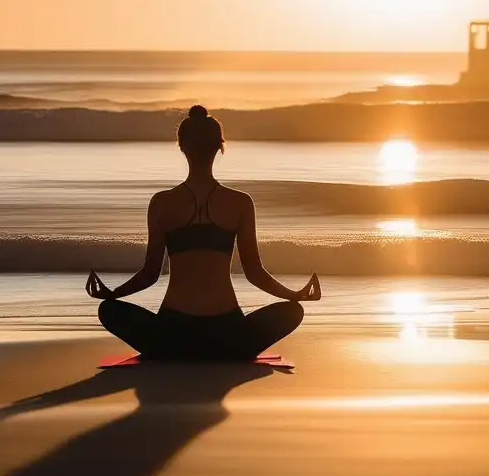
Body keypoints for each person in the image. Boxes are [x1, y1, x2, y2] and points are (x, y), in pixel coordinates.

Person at [85, 104, 320, 361]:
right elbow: (254, 273)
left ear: (181, 146)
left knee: (108, 310)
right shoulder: (240, 202)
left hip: (172, 334)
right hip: (229, 335)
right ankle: (225, 351)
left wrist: (112, 294)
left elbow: (150, 274)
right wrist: (293, 296)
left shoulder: (162, 203)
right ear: (220, 147)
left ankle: (171, 350)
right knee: (293, 312)